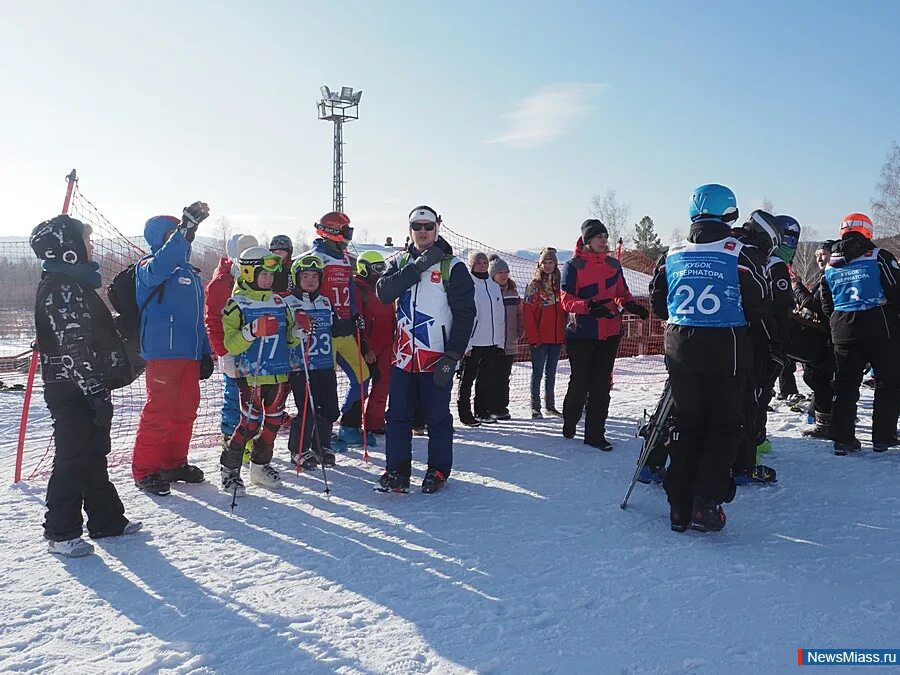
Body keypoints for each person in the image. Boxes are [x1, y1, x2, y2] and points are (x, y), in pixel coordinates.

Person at [650, 184, 767, 532]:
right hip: (725, 348)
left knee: (687, 424)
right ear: (729, 213)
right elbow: (759, 301)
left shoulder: (670, 253)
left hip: (680, 347)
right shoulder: (740, 252)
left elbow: (659, 302)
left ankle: (679, 507)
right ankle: (706, 503)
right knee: (724, 425)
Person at [31, 215, 142, 557]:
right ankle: (60, 532)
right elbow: (73, 347)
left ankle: (106, 519)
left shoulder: (74, 284)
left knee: (94, 452)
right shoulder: (61, 287)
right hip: (72, 389)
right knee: (73, 456)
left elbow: (88, 334)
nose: (91, 247)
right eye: (86, 241)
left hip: (83, 385)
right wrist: (94, 391)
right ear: (68, 249)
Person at [375, 205, 475, 494]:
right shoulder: (400, 262)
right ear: (409, 230)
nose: (422, 232)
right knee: (397, 417)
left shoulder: (452, 267)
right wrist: (416, 268)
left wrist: (453, 355)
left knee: (437, 417)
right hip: (404, 356)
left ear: (437, 228)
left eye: (428, 226)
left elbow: (466, 314)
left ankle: (438, 470)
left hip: (436, 356)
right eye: (416, 227)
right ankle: (396, 471)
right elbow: (383, 293)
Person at [132, 203, 214, 496]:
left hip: (189, 354)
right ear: (159, 239)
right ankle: (145, 470)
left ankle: (173, 463)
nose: (180, 239)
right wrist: (184, 231)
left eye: (179, 234)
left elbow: (197, 318)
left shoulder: (191, 274)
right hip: (162, 353)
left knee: (185, 411)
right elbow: (162, 264)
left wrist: (204, 351)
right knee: (159, 411)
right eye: (172, 235)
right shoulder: (148, 266)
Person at [219, 247, 302, 494]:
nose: (268, 279)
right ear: (248, 272)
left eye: (270, 275)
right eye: (263, 274)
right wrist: (251, 331)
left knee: (274, 422)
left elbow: (288, 340)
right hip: (251, 374)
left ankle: (260, 466)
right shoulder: (236, 304)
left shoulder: (279, 302)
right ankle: (229, 470)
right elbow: (230, 344)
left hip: (278, 372)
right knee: (249, 424)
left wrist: (298, 332)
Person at [560, 219, 648, 450]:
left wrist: (630, 305)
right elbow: (566, 300)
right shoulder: (573, 266)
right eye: (599, 237)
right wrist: (589, 307)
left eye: (605, 236)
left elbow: (622, 292)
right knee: (580, 381)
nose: (603, 240)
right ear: (588, 240)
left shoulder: (613, 264)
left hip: (609, 332)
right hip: (582, 334)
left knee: (601, 385)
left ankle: (595, 434)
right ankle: (570, 419)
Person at [821, 213, 900, 455]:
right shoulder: (878, 256)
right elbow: (896, 289)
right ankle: (883, 437)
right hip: (879, 324)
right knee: (888, 381)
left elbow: (826, 303)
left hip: (843, 327)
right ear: (867, 231)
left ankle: (842, 439)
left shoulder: (830, 264)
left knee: (845, 384)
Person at [296, 213, 370, 449]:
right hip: (324, 332)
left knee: (363, 377)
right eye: (346, 232)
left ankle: (348, 427)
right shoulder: (315, 258)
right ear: (333, 232)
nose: (348, 238)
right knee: (323, 387)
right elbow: (307, 292)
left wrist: (354, 314)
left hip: (345, 331)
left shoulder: (344, 259)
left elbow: (349, 292)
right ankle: (319, 439)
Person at [285, 254, 339, 469]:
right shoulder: (289, 303)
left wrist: (352, 322)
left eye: (314, 276)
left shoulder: (325, 302)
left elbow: (335, 327)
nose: (310, 280)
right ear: (296, 278)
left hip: (324, 364)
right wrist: (295, 331)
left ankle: (321, 446)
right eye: (305, 276)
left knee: (330, 409)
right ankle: (298, 450)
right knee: (307, 410)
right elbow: (283, 333)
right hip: (301, 366)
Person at [205, 233, 259, 442]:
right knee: (234, 394)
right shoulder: (222, 282)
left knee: (255, 394)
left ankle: (252, 434)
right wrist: (223, 352)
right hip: (232, 348)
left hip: (254, 346)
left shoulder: (256, 278)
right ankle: (230, 436)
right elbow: (213, 320)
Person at [790, 240, 836, 438]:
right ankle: (825, 417)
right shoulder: (825, 275)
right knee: (816, 378)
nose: (819, 258)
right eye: (817, 255)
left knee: (818, 378)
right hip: (825, 335)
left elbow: (816, 305)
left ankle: (826, 422)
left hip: (827, 337)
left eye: (823, 254)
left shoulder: (831, 277)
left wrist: (797, 286)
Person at [457, 251, 505, 426]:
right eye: (478, 262)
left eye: (484, 262)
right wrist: (466, 344)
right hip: (473, 342)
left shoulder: (494, 286)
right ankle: (465, 413)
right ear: (471, 265)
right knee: (467, 380)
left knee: (485, 380)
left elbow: (499, 315)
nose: (482, 265)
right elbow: (464, 315)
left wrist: (499, 341)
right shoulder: (468, 285)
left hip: (491, 342)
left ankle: (482, 411)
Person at [354, 250, 397, 435]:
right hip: (368, 345)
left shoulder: (383, 287)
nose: (380, 272)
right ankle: (352, 423)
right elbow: (357, 320)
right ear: (364, 268)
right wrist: (365, 348)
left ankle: (375, 422)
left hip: (386, 343)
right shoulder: (359, 289)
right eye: (376, 268)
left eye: (382, 268)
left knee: (382, 385)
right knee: (360, 386)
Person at [524, 247, 566, 418]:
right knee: (538, 373)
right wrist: (533, 337)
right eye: (545, 262)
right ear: (540, 265)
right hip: (540, 338)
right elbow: (528, 313)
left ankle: (550, 405)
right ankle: (535, 406)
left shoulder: (560, 285)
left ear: (555, 264)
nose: (548, 265)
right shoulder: (534, 286)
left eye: (551, 262)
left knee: (551, 373)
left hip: (556, 337)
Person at [488, 254, 524, 420]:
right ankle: (488, 406)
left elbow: (519, 314)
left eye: (506, 272)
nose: (503, 275)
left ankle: (501, 407)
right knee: (491, 375)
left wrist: (520, 330)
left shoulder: (513, 292)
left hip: (509, 341)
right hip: (492, 341)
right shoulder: (488, 291)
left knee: (504, 377)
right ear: (493, 274)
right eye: (500, 272)